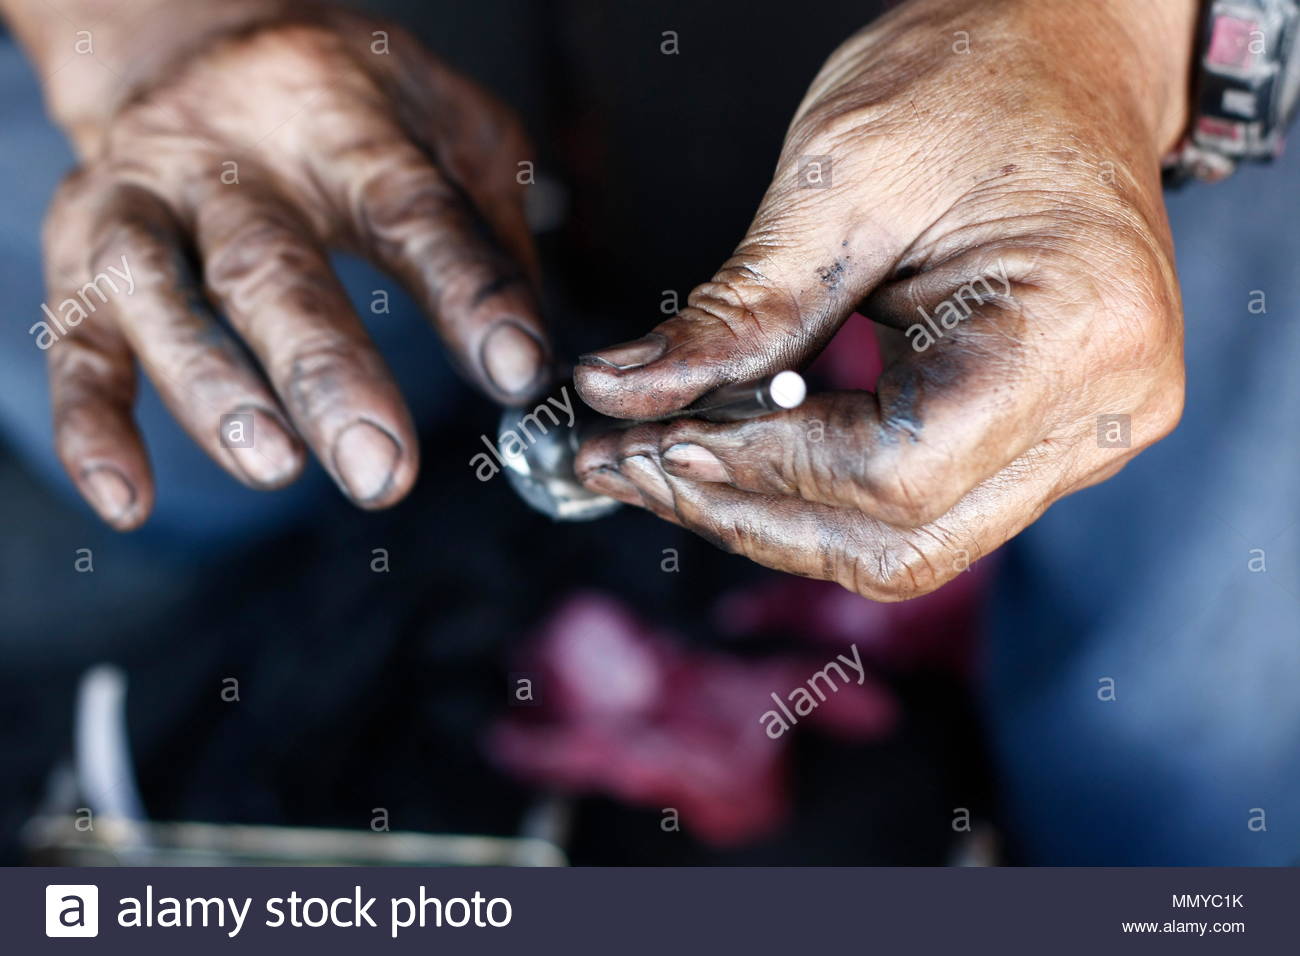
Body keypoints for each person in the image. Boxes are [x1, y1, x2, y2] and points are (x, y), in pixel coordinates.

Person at [2, 0, 1297, 864]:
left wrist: (1123, 48)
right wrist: (149, 52)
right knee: (171, 397)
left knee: (1198, 733)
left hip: (1093, 94)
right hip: (340, 54)